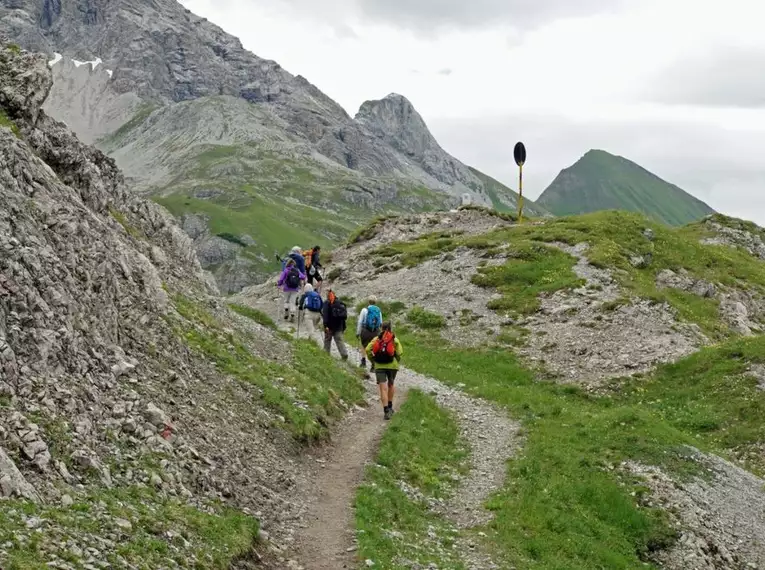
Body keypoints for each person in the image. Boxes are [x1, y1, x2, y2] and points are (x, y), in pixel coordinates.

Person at [366, 322, 403, 420]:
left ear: (381, 328)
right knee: (391, 385)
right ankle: (390, 407)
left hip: (379, 366)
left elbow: (367, 349)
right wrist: (396, 360)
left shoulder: (376, 339)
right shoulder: (394, 339)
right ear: (390, 328)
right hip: (392, 366)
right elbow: (400, 352)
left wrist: (373, 361)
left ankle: (386, 410)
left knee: (383, 388)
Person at [356, 296, 383, 371]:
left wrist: (358, 332)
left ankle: (363, 362)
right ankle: (373, 365)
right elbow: (380, 323)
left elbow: (360, 322)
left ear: (368, 301)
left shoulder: (364, 310)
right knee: (374, 347)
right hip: (376, 331)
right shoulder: (378, 310)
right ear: (375, 302)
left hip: (365, 331)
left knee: (364, 346)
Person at [321, 290, 349, 360]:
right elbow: (343, 317)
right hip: (339, 326)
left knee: (327, 340)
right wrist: (343, 327)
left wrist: (325, 325)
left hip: (329, 326)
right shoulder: (339, 302)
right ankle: (344, 354)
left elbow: (325, 316)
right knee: (339, 340)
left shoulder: (326, 303)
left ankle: (326, 354)